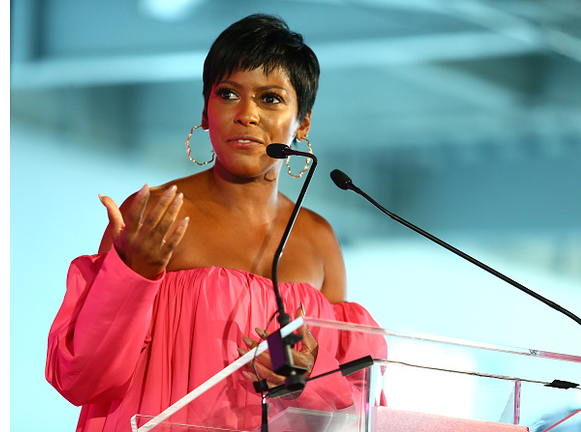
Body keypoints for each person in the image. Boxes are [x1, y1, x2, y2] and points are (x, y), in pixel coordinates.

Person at [46, 13, 386, 431]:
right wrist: (133, 274)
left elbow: (354, 407)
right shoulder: (157, 214)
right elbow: (81, 377)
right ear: (205, 112)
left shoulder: (318, 241)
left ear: (304, 121)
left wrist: (305, 373)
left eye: (271, 98)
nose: (246, 114)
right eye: (228, 94)